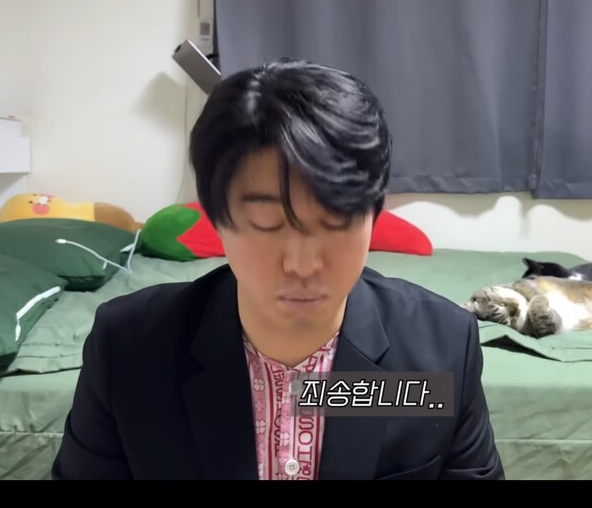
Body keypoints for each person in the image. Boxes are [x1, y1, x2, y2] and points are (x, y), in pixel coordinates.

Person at [51, 59, 504, 480]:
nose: (302, 264)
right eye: (267, 224)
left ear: (374, 212)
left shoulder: (441, 349)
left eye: (336, 221)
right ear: (216, 218)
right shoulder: (129, 349)